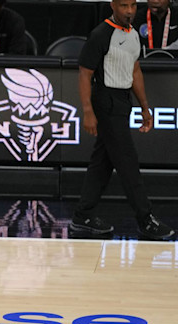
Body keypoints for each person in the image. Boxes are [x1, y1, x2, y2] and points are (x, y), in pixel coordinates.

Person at [69, 0, 174, 241]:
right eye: (124, 6)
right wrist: (88, 111)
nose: (129, 11)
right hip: (105, 100)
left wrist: (145, 108)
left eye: (133, 6)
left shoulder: (134, 34)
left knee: (103, 162)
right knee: (127, 160)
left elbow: (135, 70)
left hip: (123, 100)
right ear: (112, 5)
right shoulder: (100, 34)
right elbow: (85, 74)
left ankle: (82, 217)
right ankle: (145, 219)